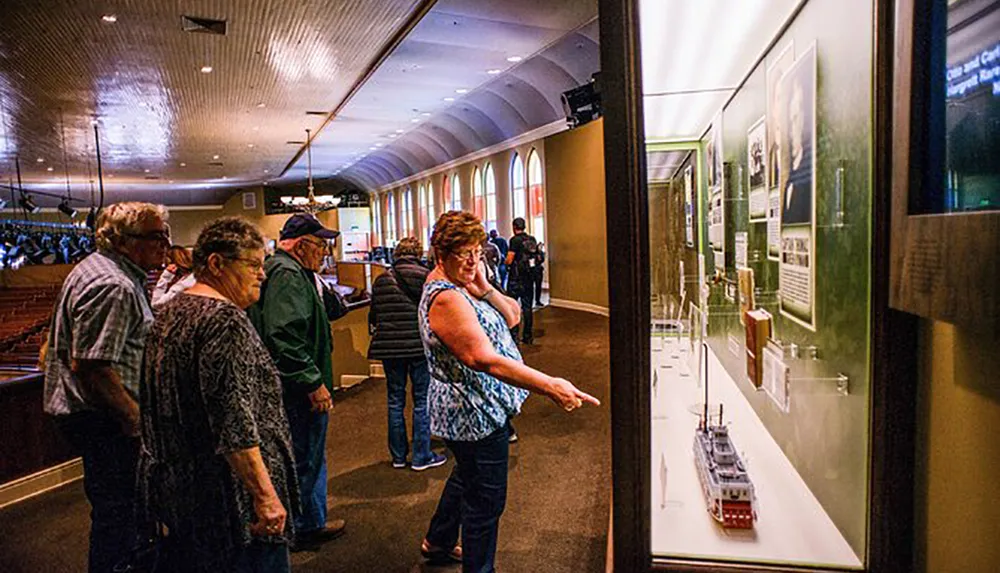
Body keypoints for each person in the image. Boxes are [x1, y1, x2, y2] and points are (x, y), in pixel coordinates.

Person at [419, 211, 599, 572]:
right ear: (440, 254)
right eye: (463, 253)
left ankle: (437, 540)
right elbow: (484, 359)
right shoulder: (445, 298)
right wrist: (550, 385)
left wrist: (484, 288)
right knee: (485, 502)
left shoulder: (465, 285)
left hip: (482, 407)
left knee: (466, 476)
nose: (473, 261)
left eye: (477, 251)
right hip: (473, 411)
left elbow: (514, 315)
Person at [140, 217, 297, 572]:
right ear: (216, 263)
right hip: (231, 502)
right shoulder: (224, 320)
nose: (263, 274)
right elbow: (234, 421)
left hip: (183, 493)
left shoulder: (171, 311)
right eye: (254, 265)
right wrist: (265, 496)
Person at [42, 202, 169, 573]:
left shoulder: (101, 269)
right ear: (122, 240)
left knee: (123, 513)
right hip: (105, 419)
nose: (166, 244)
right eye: (155, 236)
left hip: (99, 417)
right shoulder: (113, 285)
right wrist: (135, 422)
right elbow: (93, 367)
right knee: (122, 518)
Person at [250, 213, 346, 550]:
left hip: (294, 384)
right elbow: (285, 335)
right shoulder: (288, 275)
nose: (324, 252)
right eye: (320, 245)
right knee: (304, 455)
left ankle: (309, 520)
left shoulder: (290, 272)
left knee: (307, 454)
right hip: (297, 388)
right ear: (301, 245)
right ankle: (303, 526)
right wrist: (311, 381)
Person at [368, 237, 446, 471]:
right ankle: (421, 455)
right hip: (417, 346)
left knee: (395, 400)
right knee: (421, 400)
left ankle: (399, 456)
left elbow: (374, 315)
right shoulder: (425, 277)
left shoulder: (381, 280)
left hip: (390, 348)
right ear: (418, 253)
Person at [504, 217, 540, 345]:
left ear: (514, 227)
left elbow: (509, 259)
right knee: (527, 307)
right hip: (529, 278)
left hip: (516, 279)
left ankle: (514, 336)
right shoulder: (532, 239)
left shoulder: (514, 240)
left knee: (512, 307)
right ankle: (528, 336)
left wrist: (505, 262)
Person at [782, 78, 812, 226]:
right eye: (790, 120)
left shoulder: (808, 170)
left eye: (796, 118)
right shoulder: (793, 173)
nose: (792, 130)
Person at [531, 242, 545, 307]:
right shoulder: (531, 253)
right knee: (530, 287)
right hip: (532, 271)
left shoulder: (540, 253)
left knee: (538, 286)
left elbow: (542, 260)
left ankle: (537, 300)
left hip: (538, 270)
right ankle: (531, 302)